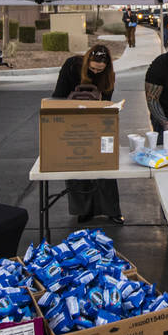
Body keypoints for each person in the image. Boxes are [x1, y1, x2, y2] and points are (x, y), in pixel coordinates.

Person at [52, 45, 124, 225]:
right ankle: (83, 211)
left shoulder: (108, 76)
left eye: (100, 69)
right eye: (93, 68)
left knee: (104, 166)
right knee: (76, 166)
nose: (96, 72)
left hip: (97, 122)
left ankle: (111, 210)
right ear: (86, 63)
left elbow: (107, 102)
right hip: (71, 122)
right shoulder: (71, 67)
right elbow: (58, 96)